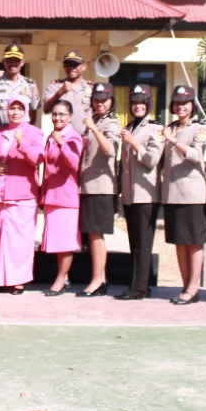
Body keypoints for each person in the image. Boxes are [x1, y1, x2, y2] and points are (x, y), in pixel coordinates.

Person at [0, 94, 44, 294]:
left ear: (26, 111)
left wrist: (22, 142)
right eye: (12, 108)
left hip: (22, 195)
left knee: (20, 241)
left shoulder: (34, 133)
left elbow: (37, 159)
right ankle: (1, 280)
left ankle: (18, 281)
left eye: (20, 108)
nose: (16, 112)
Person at [159, 85, 206, 306]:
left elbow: (196, 155)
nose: (181, 107)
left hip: (193, 194)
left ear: (192, 106)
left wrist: (172, 141)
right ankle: (184, 285)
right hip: (173, 194)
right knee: (179, 242)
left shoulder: (200, 128)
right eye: (177, 103)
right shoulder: (170, 127)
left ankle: (193, 287)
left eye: (185, 103)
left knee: (194, 242)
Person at [117, 85, 164, 300]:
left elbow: (152, 160)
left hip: (146, 193)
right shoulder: (130, 126)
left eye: (142, 103)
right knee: (134, 241)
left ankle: (139, 288)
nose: (138, 106)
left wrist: (134, 143)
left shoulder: (155, 129)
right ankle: (138, 281)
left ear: (149, 105)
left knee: (144, 242)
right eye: (135, 103)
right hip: (130, 193)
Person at [76, 82, 120, 297]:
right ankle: (100, 278)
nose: (100, 103)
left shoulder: (110, 123)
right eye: (97, 99)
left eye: (104, 99)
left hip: (101, 186)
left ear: (111, 102)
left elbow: (110, 150)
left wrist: (94, 128)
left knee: (96, 234)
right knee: (92, 234)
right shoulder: (93, 122)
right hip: (87, 185)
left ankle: (97, 280)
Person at [39, 100, 84, 295]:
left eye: (62, 115)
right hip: (53, 196)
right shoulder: (52, 136)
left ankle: (60, 278)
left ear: (70, 117)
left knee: (65, 243)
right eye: (54, 114)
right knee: (57, 242)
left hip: (67, 197)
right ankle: (63, 277)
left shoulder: (73, 137)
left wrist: (61, 143)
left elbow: (75, 164)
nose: (57, 118)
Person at [0, 43, 41, 127]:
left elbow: (33, 113)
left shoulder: (30, 84)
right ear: (3, 62)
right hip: (1, 130)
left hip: (22, 131)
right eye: (9, 60)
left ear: (22, 62)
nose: (13, 63)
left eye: (16, 60)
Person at [42, 50, 94, 127]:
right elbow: (46, 109)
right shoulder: (55, 86)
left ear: (84, 66)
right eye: (68, 65)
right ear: (64, 67)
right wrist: (60, 92)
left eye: (75, 64)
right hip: (62, 137)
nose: (71, 68)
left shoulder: (91, 88)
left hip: (85, 137)